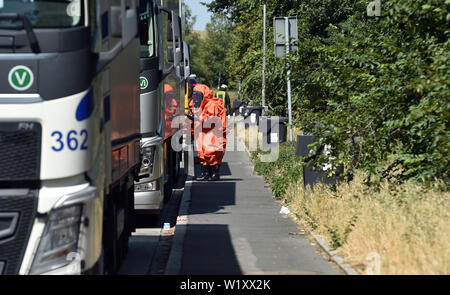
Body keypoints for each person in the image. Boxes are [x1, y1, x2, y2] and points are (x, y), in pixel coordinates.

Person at [187, 83, 227, 181]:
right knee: (202, 154)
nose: (195, 96)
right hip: (202, 133)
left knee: (211, 152)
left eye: (198, 94)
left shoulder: (212, 104)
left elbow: (210, 120)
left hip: (212, 133)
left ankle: (214, 173)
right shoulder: (198, 104)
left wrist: (197, 118)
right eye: (195, 94)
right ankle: (206, 173)